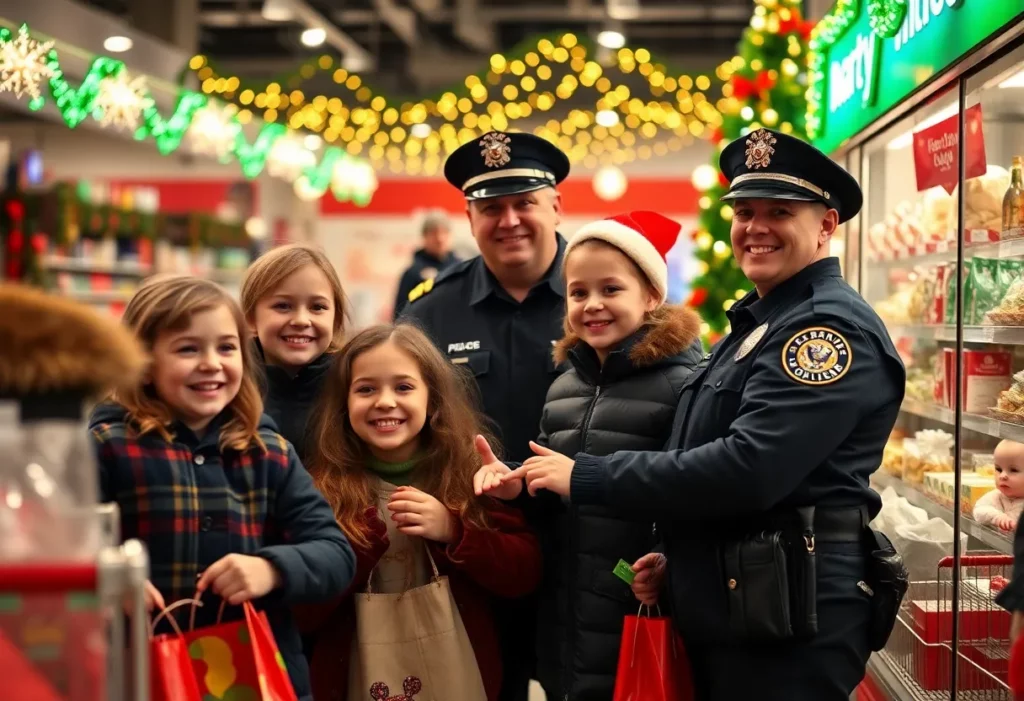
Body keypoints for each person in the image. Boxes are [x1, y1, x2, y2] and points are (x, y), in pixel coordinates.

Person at [501, 129, 907, 700]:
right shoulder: (764, 322)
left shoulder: (824, 329)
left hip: (788, 610)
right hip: (748, 598)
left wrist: (586, 475)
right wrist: (676, 556)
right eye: (744, 212)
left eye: (779, 212)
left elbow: (751, 468)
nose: (754, 228)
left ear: (826, 225)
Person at [89, 276, 355, 701]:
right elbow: (56, 541)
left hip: (255, 676)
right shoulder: (108, 447)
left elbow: (335, 554)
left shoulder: (269, 452)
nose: (212, 363)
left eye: (226, 348)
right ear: (142, 360)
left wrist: (271, 568)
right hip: (138, 672)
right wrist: (107, 575)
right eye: (188, 349)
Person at [474, 211, 703, 700]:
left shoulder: (687, 384)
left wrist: (665, 560)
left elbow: (696, 490)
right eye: (578, 293)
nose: (592, 305)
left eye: (611, 290)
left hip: (640, 610)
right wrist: (517, 483)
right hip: (565, 615)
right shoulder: (565, 384)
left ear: (652, 296)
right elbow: (555, 481)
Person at [401, 130, 571, 701]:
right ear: (469, 219)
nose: (510, 220)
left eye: (524, 202)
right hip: (477, 551)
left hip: (589, 550)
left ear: (555, 205)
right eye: (491, 207)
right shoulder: (431, 312)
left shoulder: (603, 291)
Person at [293, 324, 542, 701]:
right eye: (366, 389)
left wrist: (455, 531)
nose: (385, 402)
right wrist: (353, 550)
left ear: (434, 400)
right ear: (344, 405)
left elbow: (524, 574)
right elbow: (299, 613)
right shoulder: (321, 491)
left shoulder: (468, 474)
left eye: (404, 387)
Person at [240, 243, 348, 462]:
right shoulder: (229, 385)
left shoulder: (351, 383)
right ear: (251, 317)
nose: (301, 320)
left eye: (317, 307)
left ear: (335, 319)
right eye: (283, 306)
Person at [392, 210, 461, 319]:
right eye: (434, 233)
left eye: (444, 232)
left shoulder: (461, 269)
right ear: (424, 236)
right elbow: (399, 315)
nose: (440, 239)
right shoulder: (412, 274)